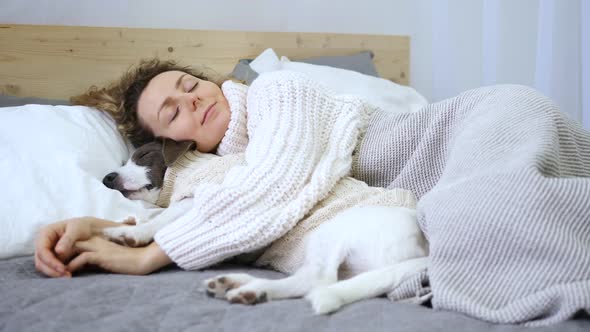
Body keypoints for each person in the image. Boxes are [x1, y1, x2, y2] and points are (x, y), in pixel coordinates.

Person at [35, 57, 590, 325]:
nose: (193, 99)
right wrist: (104, 226)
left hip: (481, 127)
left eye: (190, 85)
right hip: (447, 184)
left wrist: (153, 255)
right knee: (477, 221)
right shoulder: (228, 168)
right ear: (169, 145)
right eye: (172, 111)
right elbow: (222, 205)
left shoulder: (279, 91)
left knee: (481, 219)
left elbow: (276, 186)